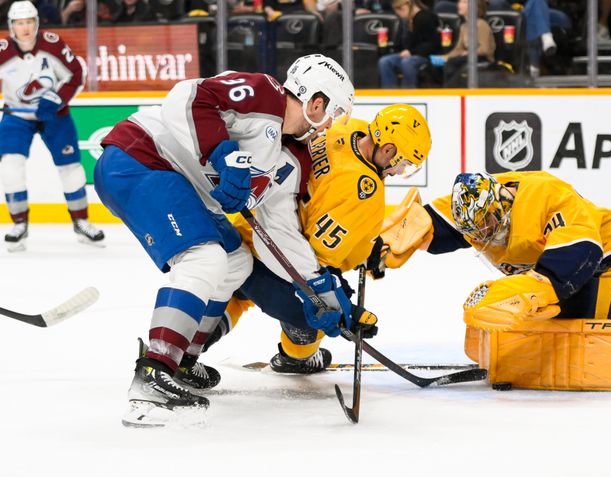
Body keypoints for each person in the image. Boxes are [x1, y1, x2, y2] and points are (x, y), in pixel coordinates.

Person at [93, 54, 355, 427]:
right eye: (334, 113)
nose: (331, 125)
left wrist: (316, 286)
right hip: (141, 157)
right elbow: (187, 97)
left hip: (175, 182)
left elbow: (278, 229)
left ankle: (182, 361)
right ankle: (155, 369)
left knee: (236, 261)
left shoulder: (291, 155)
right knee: (205, 259)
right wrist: (222, 152)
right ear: (317, 102)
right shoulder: (264, 94)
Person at [371, 171, 611, 391]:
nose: (484, 238)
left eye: (488, 229)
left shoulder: (547, 196)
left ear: (500, 205)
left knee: (595, 344)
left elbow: (581, 253)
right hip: (552, 276)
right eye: (475, 234)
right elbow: (425, 222)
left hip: (610, 269)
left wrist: (526, 294)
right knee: (529, 332)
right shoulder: (477, 205)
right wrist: (379, 245)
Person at [204, 104, 432, 374]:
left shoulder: (348, 127)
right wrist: (346, 304)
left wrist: (366, 244)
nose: (398, 171)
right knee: (318, 313)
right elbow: (316, 259)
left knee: (238, 292)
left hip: (246, 224)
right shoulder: (363, 193)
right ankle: (297, 357)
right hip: (275, 255)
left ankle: (182, 346)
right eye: (403, 163)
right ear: (388, 150)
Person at [0, 1, 105, 252]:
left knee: (70, 168)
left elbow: (76, 74)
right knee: (10, 166)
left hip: (54, 115)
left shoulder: (52, 43)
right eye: (19, 23)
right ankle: (19, 224)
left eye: (28, 22)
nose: (24, 28)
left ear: (37, 23)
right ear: (11, 26)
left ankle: (81, 221)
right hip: (16, 115)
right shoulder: (2, 49)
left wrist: (55, 99)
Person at [429, 0, 495, 88]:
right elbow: (458, 49)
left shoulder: (481, 24)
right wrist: (446, 57)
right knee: (436, 64)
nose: (459, 4)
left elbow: (485, 49)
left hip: (481, 58)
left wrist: (469, 53)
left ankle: (450, 89)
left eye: (464, 2)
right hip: (466, 57)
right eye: (460, 2)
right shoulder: (463, 26)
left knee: (453, 63)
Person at [378, 0, 440, 88]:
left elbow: (432, 44)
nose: (398, 15)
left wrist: (411, 52)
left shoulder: (426, 17)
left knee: (407, 62)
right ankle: (389, 94)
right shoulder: (406, 21)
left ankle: (408, 94)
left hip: (426, 56)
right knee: (385, 61)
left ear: (403, 8)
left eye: (398, 12)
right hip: (409, 54)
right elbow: (401, 44)